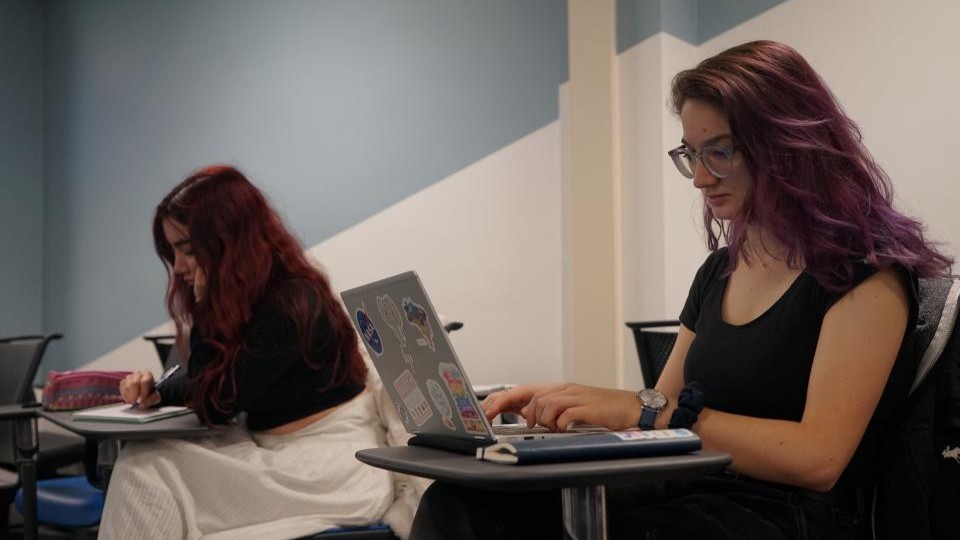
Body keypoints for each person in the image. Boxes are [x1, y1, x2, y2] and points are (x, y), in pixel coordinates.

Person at [409, 40, 952, 540]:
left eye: (721, 151)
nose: (699, 178)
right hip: (695, 490)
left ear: (789, 145)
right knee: (460, 505)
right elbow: (662, 411)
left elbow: (817, 458)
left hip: (789, 516)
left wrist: (635, 410)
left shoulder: (862, 274)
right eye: (692, 153)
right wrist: (572, 401)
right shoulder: (720, 272)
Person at [99, 166, 393, 539]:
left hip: (326, 468)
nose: (178, 268)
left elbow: (217, 401)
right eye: (173, 252)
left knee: (143, 468)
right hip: (282, 456)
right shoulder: (260, 297)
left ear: (227, 242)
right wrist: (159, 390)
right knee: (144, 463)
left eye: (187, 250)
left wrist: (205, 307)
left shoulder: (293, 302)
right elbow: (210, 379)